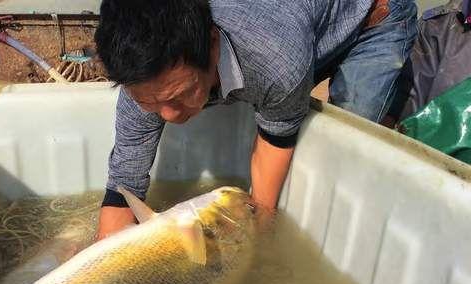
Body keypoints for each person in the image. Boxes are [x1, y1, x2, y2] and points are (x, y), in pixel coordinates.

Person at [94, 0, 418, 239]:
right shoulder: (144, 79)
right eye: (150, 102)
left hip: (373, 18)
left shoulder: (275, 62)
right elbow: (123, 186)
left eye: (181, 95)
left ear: (212, 44)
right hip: (295, 30)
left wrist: (256, 245)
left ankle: (397, 98)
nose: (170, 115)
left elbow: (271, 154)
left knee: (348, 142)